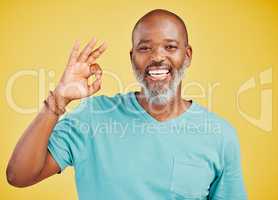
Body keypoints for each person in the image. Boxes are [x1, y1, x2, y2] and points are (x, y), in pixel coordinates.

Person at [6, 9, 248, 200]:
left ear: (187, 55)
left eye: (170, 47)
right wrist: (58, 100)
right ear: (132, 58)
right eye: (145, 48)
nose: (157, 57)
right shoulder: (93, 116)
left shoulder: (220, 135)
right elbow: (19, 175)